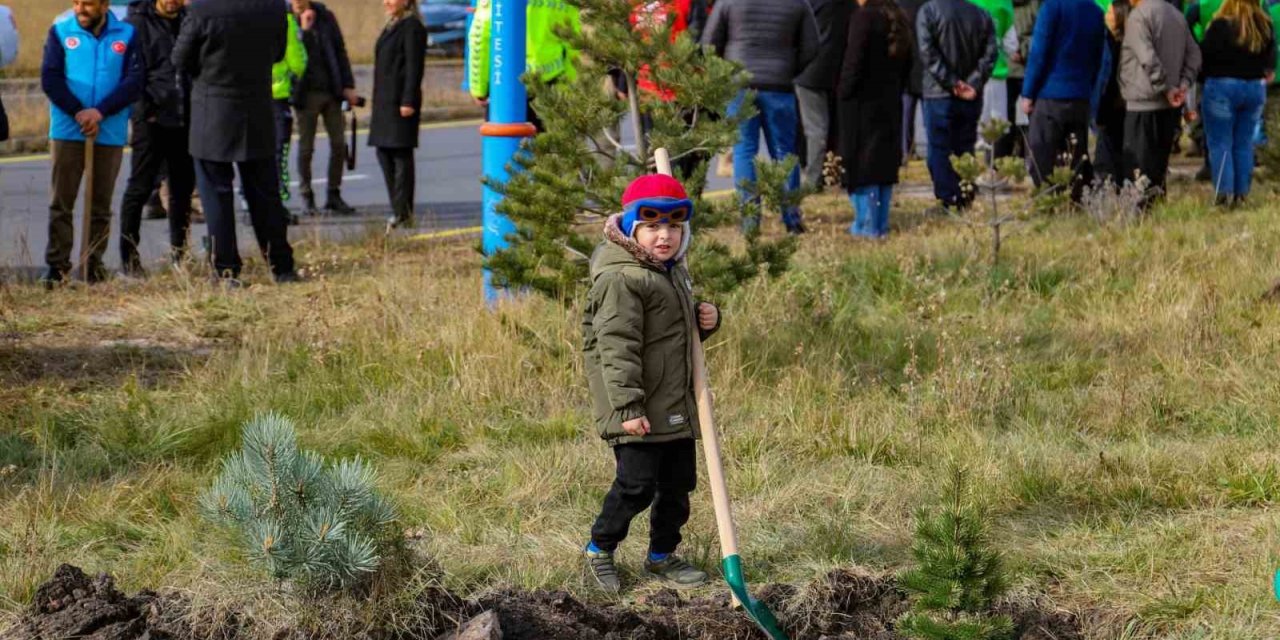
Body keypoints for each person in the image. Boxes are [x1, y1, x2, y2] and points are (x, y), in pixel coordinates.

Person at [581, 174, 720, 594]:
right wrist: (628, 408)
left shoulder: (669, 270)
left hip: (673, 402)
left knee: (678, 486)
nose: (665, 236)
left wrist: (704, 319)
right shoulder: (622, 278)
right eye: (653, 227)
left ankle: (662, 555)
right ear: (630, 228)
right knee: (636, 485)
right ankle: (598, 550)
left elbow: (672, 334)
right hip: (635, 405)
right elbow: (617, 346)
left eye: (674, 227)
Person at [173, 0, 298, 285]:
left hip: (212, 111)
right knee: (265, 195)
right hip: (257, 109)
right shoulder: (273, 7)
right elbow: (278, 54)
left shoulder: (202, 10)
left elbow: (180, 59)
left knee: (216, 195)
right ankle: (282, 265)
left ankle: (226, 268)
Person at [40, 0, 143, 287]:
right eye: (76, 2)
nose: (80, 8)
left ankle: (92, 266)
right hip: (67, 130)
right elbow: (50, 78)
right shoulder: (60, 31)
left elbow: (134, 81)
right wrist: (78, 111)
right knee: (61, 202)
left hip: (108, 130)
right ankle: (57, 268)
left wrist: (100, 111)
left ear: (104, 4)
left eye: (88, 3)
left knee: (99, 205)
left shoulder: (127, 34)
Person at [702, 0, 819, 234]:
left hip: (739, 84)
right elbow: (812, 46)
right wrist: (788, 69)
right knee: (785, 153)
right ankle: (792, 218)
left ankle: (749, 222)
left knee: (744, 151)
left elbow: (709, 42)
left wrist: (724, 72)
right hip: (779, 85)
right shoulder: (798, 4)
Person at [118, 0, 193, 277]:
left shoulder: (190, 19)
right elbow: (128, 74)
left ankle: (179, 255)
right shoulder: (136, 24)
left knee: (182, 191)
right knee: (139, 188)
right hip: (151, 120)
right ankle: (129, 260)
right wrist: (144, 112)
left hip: (185, 118)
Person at [838, 0, 914, 238]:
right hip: (890, 101)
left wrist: (842, 93)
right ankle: (880, 225)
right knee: (883, 166)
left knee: (863, 164)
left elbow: (854, 62)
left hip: (862, 103)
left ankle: (865, 225)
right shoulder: (899, 17)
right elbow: (908, 64)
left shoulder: (863, 18)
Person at [1019, 0, 1105, 199]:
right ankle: (1075, 201)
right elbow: (1098, 56)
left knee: (1042, 155)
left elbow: (1039, 53)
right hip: (1080, 94)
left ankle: (1049, 200)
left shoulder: (1051, 7)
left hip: (1051, 94)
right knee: (1076, 155)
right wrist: (1089, 89)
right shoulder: (1095, 11)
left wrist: (1028, 92)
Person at [916, 0, 997, 210]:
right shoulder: (981, 14)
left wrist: (953, 83)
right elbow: (990, 55)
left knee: (940, 149)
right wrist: (972, 83)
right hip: (968, 95)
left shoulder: (929, 11)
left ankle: (949, 199)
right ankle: (964, 196)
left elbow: (927, 51)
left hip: (939, 93)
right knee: (965, 147)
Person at [1119, 0, 1200, 206]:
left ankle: (1139, 218)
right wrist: (1183, 84)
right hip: (1168, 107)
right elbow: (1195, 55)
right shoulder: (1177, 15)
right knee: (1159, 168)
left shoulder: (1139, 17)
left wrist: (1167, 88)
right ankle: (1156, 215)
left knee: (1139, 168)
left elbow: (1147, 58)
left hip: (1143, 103)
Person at [1199, 0, 1275, 206]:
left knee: (1220, 142)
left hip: (1222, 86)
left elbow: (1204, 58)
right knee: (1244, 143)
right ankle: (1241, 194)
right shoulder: (1264, 26)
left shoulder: (1220, 26)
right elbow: (1270, 61)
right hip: (1254, 88)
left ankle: (1224, 194)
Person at [467, 0, 580, 131]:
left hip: (505, 86)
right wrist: (567, 89)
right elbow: (573, 43)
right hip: (551, 82)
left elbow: (481, 37)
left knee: (505, 145)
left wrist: (478, 87)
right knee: (551, 148)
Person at [290, 0, 358, 217]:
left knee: (339, 144)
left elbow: (339, 50)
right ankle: (306, 195)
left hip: (331, 90)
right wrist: (304, 31)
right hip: (304, 93)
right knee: (306, 148)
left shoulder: (325, 15)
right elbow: (289, 51)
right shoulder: (286, 18)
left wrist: (347, 84)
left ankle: (333, 194)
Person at [370, 0, 427, 229]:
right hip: (385, 102)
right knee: (384, 152)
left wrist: (408, 99)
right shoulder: (393, 24)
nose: (387, 2)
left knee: (400, 154)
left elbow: (414, 67)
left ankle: (403, 212)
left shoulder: (412, 26)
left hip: (401, 102)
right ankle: (397, 207)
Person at [795, 0, 852, 189]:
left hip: (810, 71)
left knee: (815, 128)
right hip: (836, 69)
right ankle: (834, 172)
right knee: (835, 127)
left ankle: (813, 179)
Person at [272, 8, 307, 212]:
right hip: (278, 97)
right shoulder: (284, 20)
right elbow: (297, 61)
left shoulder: (241, 15)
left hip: (249, 96)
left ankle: (250, 201)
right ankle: (278, 202)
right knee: (278, 152)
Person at [1093, 0, 1131, 187]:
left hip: (1109, 99)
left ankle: (1106, 184)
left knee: (1106, 147)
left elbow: (1104, 74)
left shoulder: (1108, 41)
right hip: (1129, 100)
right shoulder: (1134, 41)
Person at [972, 0, 1017, 150]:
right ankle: (992, 164)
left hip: (972, 72)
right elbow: (1011, 45)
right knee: (997, 128)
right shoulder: (1004, 4)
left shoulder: (969, 3)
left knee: (974, 125)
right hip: (997, 71)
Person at [999, 0, 1040, 158]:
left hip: (1012, 68)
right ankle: (1027, 158)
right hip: (1021, 67)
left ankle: (1002, 161)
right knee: (1027, 118)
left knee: (1006, 119)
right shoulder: (1035, 5)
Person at [897, 0, 928, 161]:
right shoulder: (930, 6)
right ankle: (930, 152)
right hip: (926, 69)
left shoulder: (899, 6)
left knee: (905, 114)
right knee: (928, 116)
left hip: (906, 68)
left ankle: (905, 151)